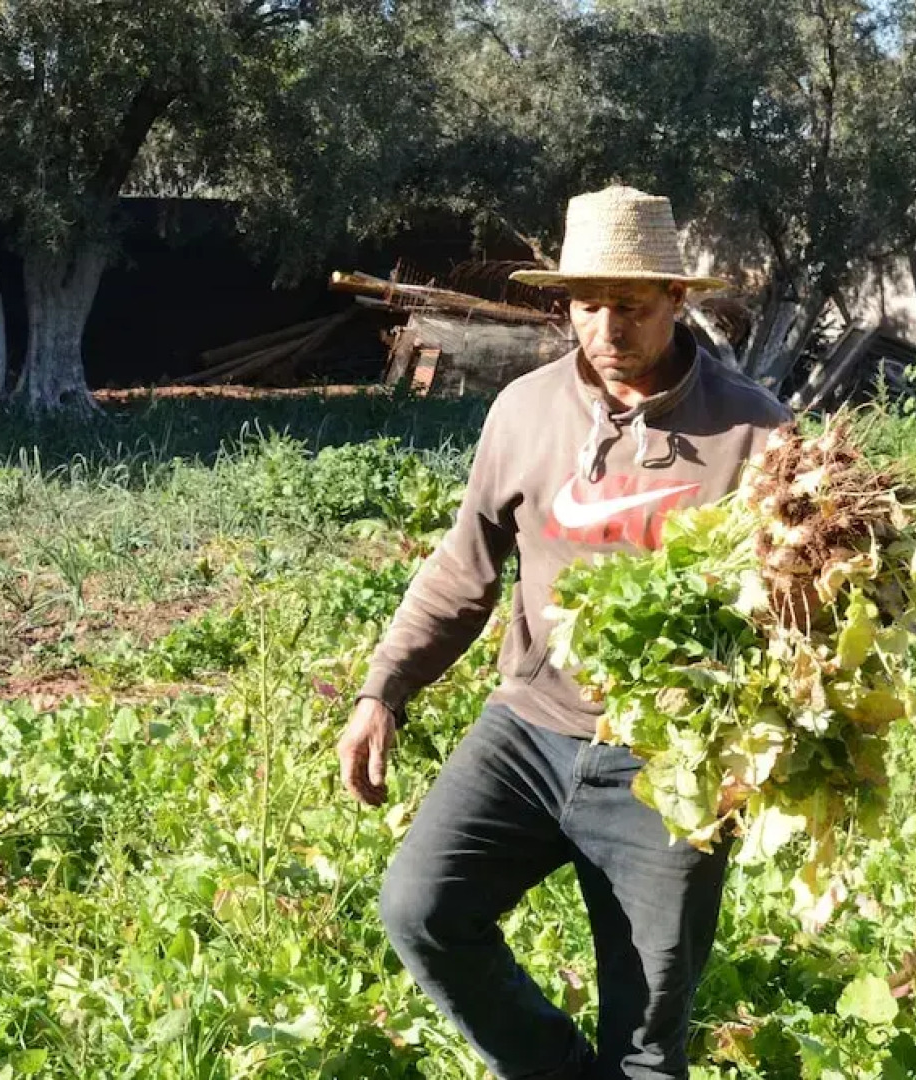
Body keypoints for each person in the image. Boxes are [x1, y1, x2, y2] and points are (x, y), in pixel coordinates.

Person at [336, 185, 793, 1079]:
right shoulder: (524, 411)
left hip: (671, 761)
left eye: (630, 306)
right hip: (530, 729)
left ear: (676, 299)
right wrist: (380, 688)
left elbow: (798, 613)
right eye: (587, 305)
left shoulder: (754, 432)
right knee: (421, 911)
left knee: (647, 1036)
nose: (607, 328)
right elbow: (464, 569)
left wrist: (747, 753)